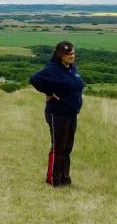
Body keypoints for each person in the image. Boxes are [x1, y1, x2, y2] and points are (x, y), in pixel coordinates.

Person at [29, 41, 85, 187]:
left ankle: (65, 177)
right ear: (61, 55)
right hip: (57, 112)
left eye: (73, 53)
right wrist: (49, 92)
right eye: (69, 54)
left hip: (72, 112)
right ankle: (53, 179)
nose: (72, 56)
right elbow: (34, 79)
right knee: (58, 147)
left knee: (67, 147)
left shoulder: (72, 69)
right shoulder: (52, 69)